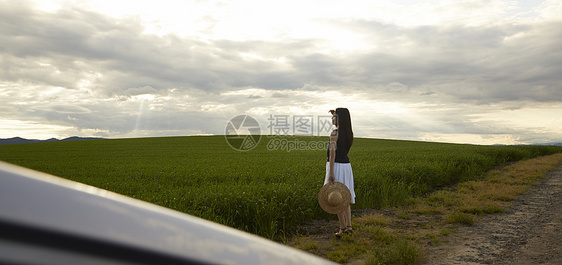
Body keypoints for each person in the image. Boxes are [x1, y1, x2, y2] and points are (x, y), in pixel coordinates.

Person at [325, 107, 355, 238]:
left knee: (336, 199)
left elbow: (332, 155)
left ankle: (342, 228)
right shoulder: (349, 133)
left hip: (336, 166)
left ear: (339, 119)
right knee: (345, 197)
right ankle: (349, 227)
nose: (332, 119)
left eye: (334, 117)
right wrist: (335, 113)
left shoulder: (334, 134)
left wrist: (331, 173)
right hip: (346, 167)